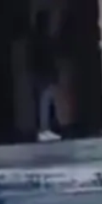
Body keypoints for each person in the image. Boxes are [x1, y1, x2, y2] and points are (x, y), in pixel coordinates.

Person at [31, 10, 61, 142]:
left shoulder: (38, 39)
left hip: (41, 75)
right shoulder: (43, 40)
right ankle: (44, 130)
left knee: (45, 103)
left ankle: (46, 128)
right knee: (44, 103)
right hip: (44, 75)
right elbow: (47, 59)